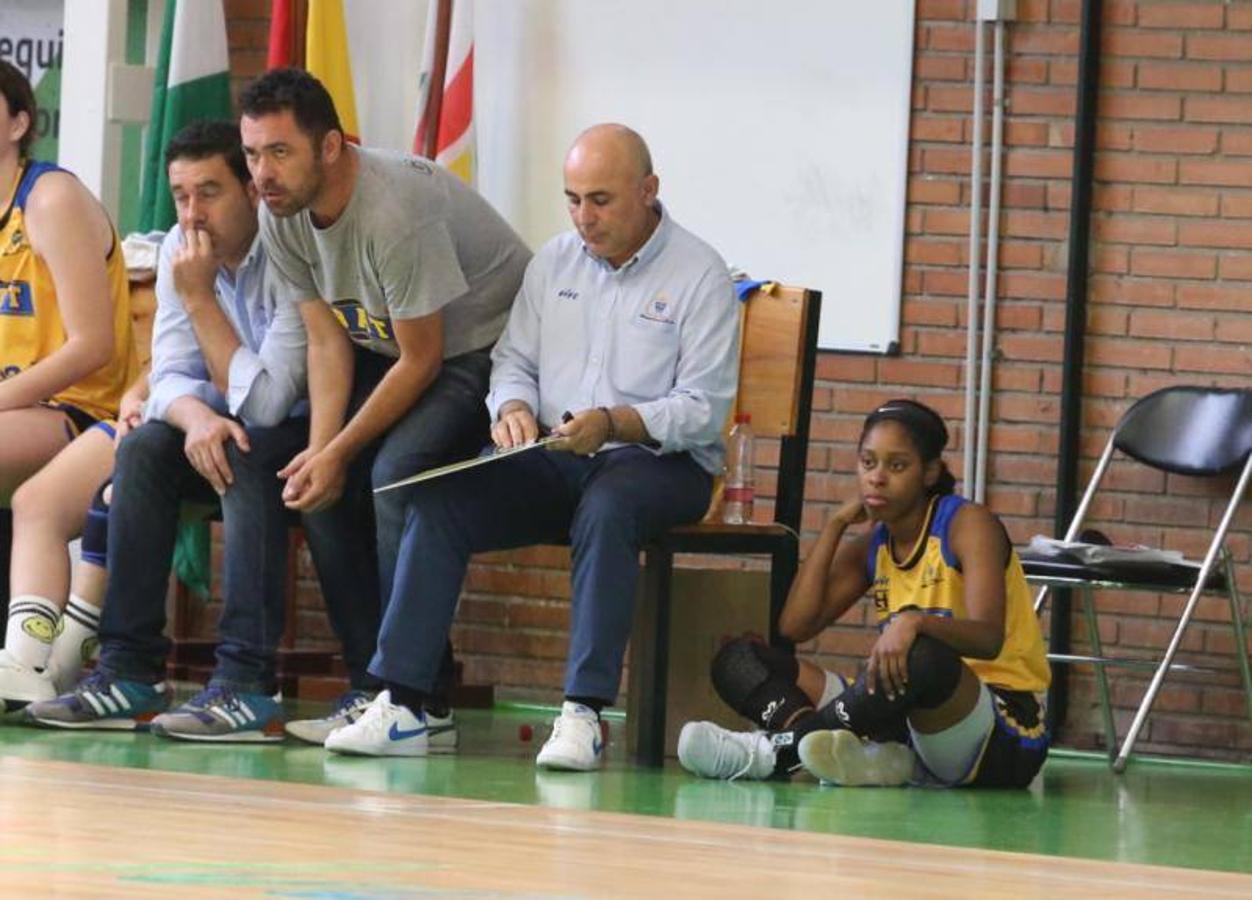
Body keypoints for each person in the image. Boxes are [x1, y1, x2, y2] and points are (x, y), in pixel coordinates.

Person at [324, 123, 741, 772]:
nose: (584, 218)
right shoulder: (553, 263)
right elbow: (512, 360)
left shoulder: (701, 274)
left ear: (649, 190)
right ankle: (405, 703)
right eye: (572, 199)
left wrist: (617, 422)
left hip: (663, 464)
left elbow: (702, 410)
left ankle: (583, 712)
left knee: (609, 509)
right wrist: (512, 407)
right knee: (438, 504)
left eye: (600, 199)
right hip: (558, 453)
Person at [23, 119, 368, 741]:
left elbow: (269, 400)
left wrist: (202, 301)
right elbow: (169, 380)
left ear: (251, 192)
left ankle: (245, 683)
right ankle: (128, 671)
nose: (192, 212)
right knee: (147, 449)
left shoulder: (289, 253)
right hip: (226, 426)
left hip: (314, 429)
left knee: (249, 452)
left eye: (209, 192)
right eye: (181, 195)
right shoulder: (185, 256)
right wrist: (197, 417)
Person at [238, 68, 531, 742]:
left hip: (477, 349)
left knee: (392, 474)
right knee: (319, 487)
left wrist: (341, 451)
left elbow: (425, 359)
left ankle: (419, 702)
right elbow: (324, 338)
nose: (263, 173)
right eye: (253, 154)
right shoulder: (279, 213)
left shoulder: (394, 211)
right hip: (387, 347)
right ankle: (376, 688)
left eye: (279, 152)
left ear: (331, 147)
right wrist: (322, 450)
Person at [677, 399, 1051, 788]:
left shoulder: (967, 524)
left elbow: (989, 638)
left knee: (922, 654)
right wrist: (836, 524)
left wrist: (913, 622)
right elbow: (794, 626)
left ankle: (774, 754)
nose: (877, 477)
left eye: (897, 465)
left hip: (1000, 733)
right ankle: (872, 759)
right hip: (908, 722)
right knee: (739, 659)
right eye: (868, 463)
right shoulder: (877, 541)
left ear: (929, 472)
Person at [0, 60, 137, 634]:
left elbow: (92, 346)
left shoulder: (50, 198)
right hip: (18, 409)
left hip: (83, 409)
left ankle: (29, 652)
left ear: (17, 124)